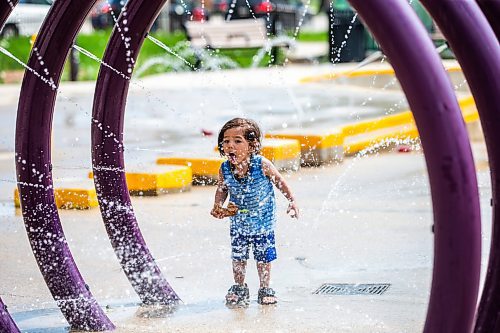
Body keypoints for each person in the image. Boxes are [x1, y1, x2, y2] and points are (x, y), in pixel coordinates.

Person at [211, 118, 299, 306]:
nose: (230, 146)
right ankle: (240, 287)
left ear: (252, 145)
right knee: (238, 257)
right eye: (226, 141)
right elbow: (222, 188)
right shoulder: (225, 168)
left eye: (237, 141)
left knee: (263, 257)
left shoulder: (262, 164)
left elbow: (279, 181)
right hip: (238, 224)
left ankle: (264, 287)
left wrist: (291, 201)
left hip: (263, 224)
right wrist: (218, 205)